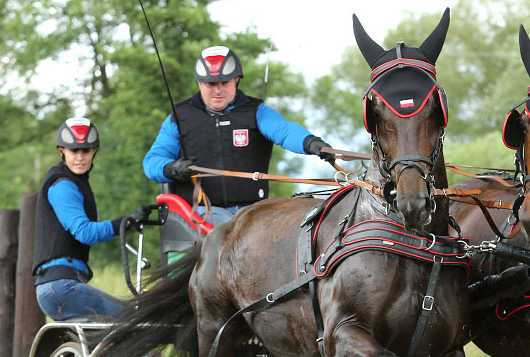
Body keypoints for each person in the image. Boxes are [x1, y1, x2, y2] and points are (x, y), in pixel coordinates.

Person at [142, 45, 335, 225]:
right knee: (227, 233)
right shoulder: (179, 117)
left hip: (254, 211)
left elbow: (284, 131)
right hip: (202, 215)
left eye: (224, 83)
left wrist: (312, 143)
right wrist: (172, 169)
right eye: (210, 84)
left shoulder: (256, 111)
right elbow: (152, 162)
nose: (218, 90)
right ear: (200, 83)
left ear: (236, 80)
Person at [33, 117, 139, 320]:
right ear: (62, 151)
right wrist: (124, 223)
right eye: (74, 151)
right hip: (60, 286)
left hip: (60, 286)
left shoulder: (74, 182)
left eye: (86, 151)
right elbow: (84, 233)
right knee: (131, 317)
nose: (80, 157)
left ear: (94, 152)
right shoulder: (62, 185)